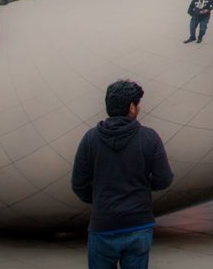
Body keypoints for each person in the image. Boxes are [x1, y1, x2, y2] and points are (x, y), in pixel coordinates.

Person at [71, 80, 173, 269]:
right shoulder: (149, 137)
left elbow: (78, 184)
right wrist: (143, 187)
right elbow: (164, 179)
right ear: (132, 107)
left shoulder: (90, 139)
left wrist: (99, 198)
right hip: (138, 224)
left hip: (103, 224)